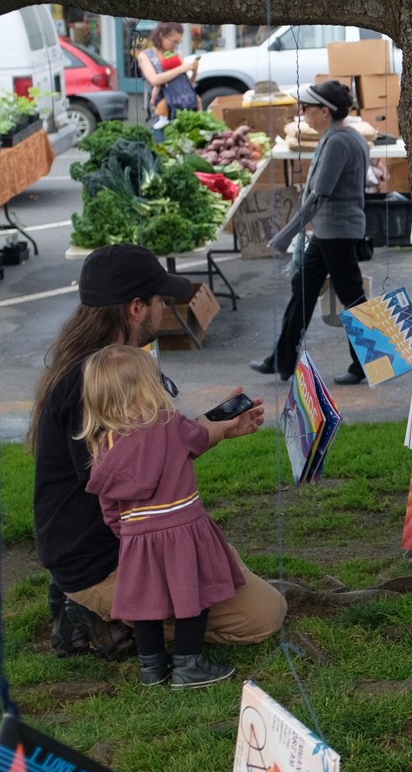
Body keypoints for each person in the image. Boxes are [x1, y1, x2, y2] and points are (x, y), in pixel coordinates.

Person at [32, 245, 282, 658]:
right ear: (135, 308)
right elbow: (136, 475)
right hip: (108, 558)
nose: (163, 309)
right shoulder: (89, 384)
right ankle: (95, 613)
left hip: (131, 540)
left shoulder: (104, 369)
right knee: (263, 615)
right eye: (160, 301)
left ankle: (107, 608)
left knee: (222, 561)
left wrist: (214, 427)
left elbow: (144, 453)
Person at [78, 344, 243, 689]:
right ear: (147, 386)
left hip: (137, 537)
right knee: (194, 597)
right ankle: (188, 665)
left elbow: (108, 506)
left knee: (145, 605)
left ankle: (151, 668)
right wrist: (225, 419)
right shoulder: (169, 424)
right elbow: (199, 439)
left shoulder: (105, 445)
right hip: (183, 528)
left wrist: (126, 534)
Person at [251, 80, 370, 385]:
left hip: (337, 233)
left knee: (352, 298)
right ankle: (282, 358)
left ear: (325, 112)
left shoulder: (340, 141)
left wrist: (285, 235)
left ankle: (366, 364)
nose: (302, 113)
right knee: (302, 289)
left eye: (306, 108)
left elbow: (318, 196)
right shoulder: (344, 136)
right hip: (331, 232)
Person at [137, 22, 199, 130]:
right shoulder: (145, 56)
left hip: (181, 110)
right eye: (174, 42)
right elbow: (154, 80)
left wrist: (194, 72)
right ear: (162, 36)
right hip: (160, 113)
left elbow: (185, 83)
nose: (176, 46)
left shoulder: (177, 53)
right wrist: (181, 68)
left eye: (178, 43)